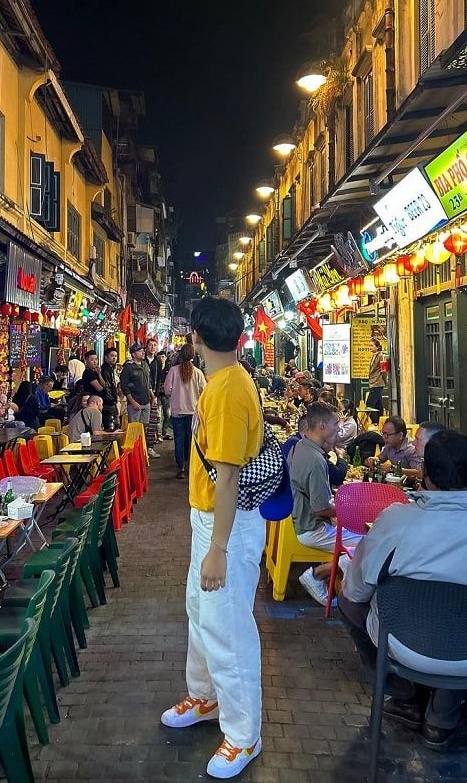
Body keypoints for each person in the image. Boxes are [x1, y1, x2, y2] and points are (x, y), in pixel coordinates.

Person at [339, 430, 467, 748]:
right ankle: (442, 717)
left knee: (349, 601)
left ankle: (404, 696)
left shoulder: (394, 523)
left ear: (425, 474)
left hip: (404, 646)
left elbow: (356, 590)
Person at [160, 298, 264, 779]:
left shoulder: (226, 392)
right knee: (201, 614)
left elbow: (228, 478)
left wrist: (218, 549)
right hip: (213, 522)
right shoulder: (226, 382)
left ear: (196, 337)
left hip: (229, 527)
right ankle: (204, 697)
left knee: (228, 629)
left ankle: (244, 734)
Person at [290, 402, 364, 606]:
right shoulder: (314, 459)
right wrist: (350, 512)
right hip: (311, 528)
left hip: (301, 520)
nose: (337, 428)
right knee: (369, 543)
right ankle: (317, 575)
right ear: (321, 425)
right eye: (334, 423)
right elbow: (320, 507)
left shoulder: (301, 445)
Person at [164, 343, 206, 480]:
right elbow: (204, 391)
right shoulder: (198, 372)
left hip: (177, 411)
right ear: (193, 356)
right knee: (192, 441)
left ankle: (181, 468)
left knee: (179, 440)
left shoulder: (173, 371)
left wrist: (176, 393)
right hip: (193, 412)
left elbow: (167, 390)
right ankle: (192, 467)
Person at [120, 343, 158, 458]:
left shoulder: (145, 365)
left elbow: (148, 383)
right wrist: (132, 402)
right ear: (133, 354)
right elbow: (124, 386)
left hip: (146, 401)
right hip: (135, 403)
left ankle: (143, 451)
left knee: (144, 427)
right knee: (135, 429)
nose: (142, 352)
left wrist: (152, 396)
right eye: (140, 351)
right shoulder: (128, 367)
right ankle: (133, 454)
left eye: (142, 350)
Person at [100, 346, 120, 431]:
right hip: (108, 402)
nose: (114, 358)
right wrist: (112, 400)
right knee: (110, 427)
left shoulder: (110, 368)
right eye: (112, 356)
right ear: (106, 357)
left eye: (115, 356)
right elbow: (107, 387)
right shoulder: (105, 369)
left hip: (111, 401)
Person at [366, 338, 386, 424]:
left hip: (378, 382)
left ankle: (375, 421)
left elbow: (383, 370)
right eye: (369, 345)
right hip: (373, 382)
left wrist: (384, 380)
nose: (370, 347)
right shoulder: (374, 356)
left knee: (369, 404)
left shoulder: (380, 356)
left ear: (377, 347)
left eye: (372, 345)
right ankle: (379, 422)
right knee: (378, 404)